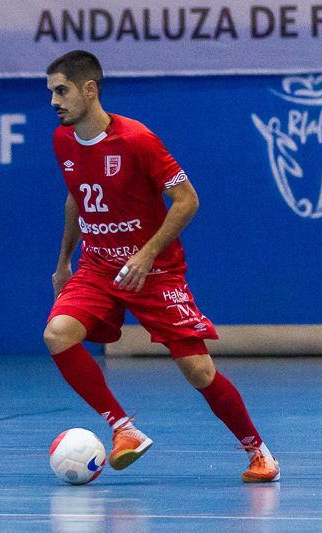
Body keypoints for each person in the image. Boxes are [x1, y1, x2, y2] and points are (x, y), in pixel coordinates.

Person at [43, 50, 279, 483]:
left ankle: (259, 452)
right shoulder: (63, 141)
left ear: (89, 90)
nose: (54, 101)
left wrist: (147, 252)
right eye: (52, 93)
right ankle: (123, 429)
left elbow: (187, 200)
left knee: (198, 370)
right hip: (97, 268)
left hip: (154, 271)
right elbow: (76, 198)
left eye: (62, 91)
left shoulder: (137, 140)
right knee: (57, 334)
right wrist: (63, 261)